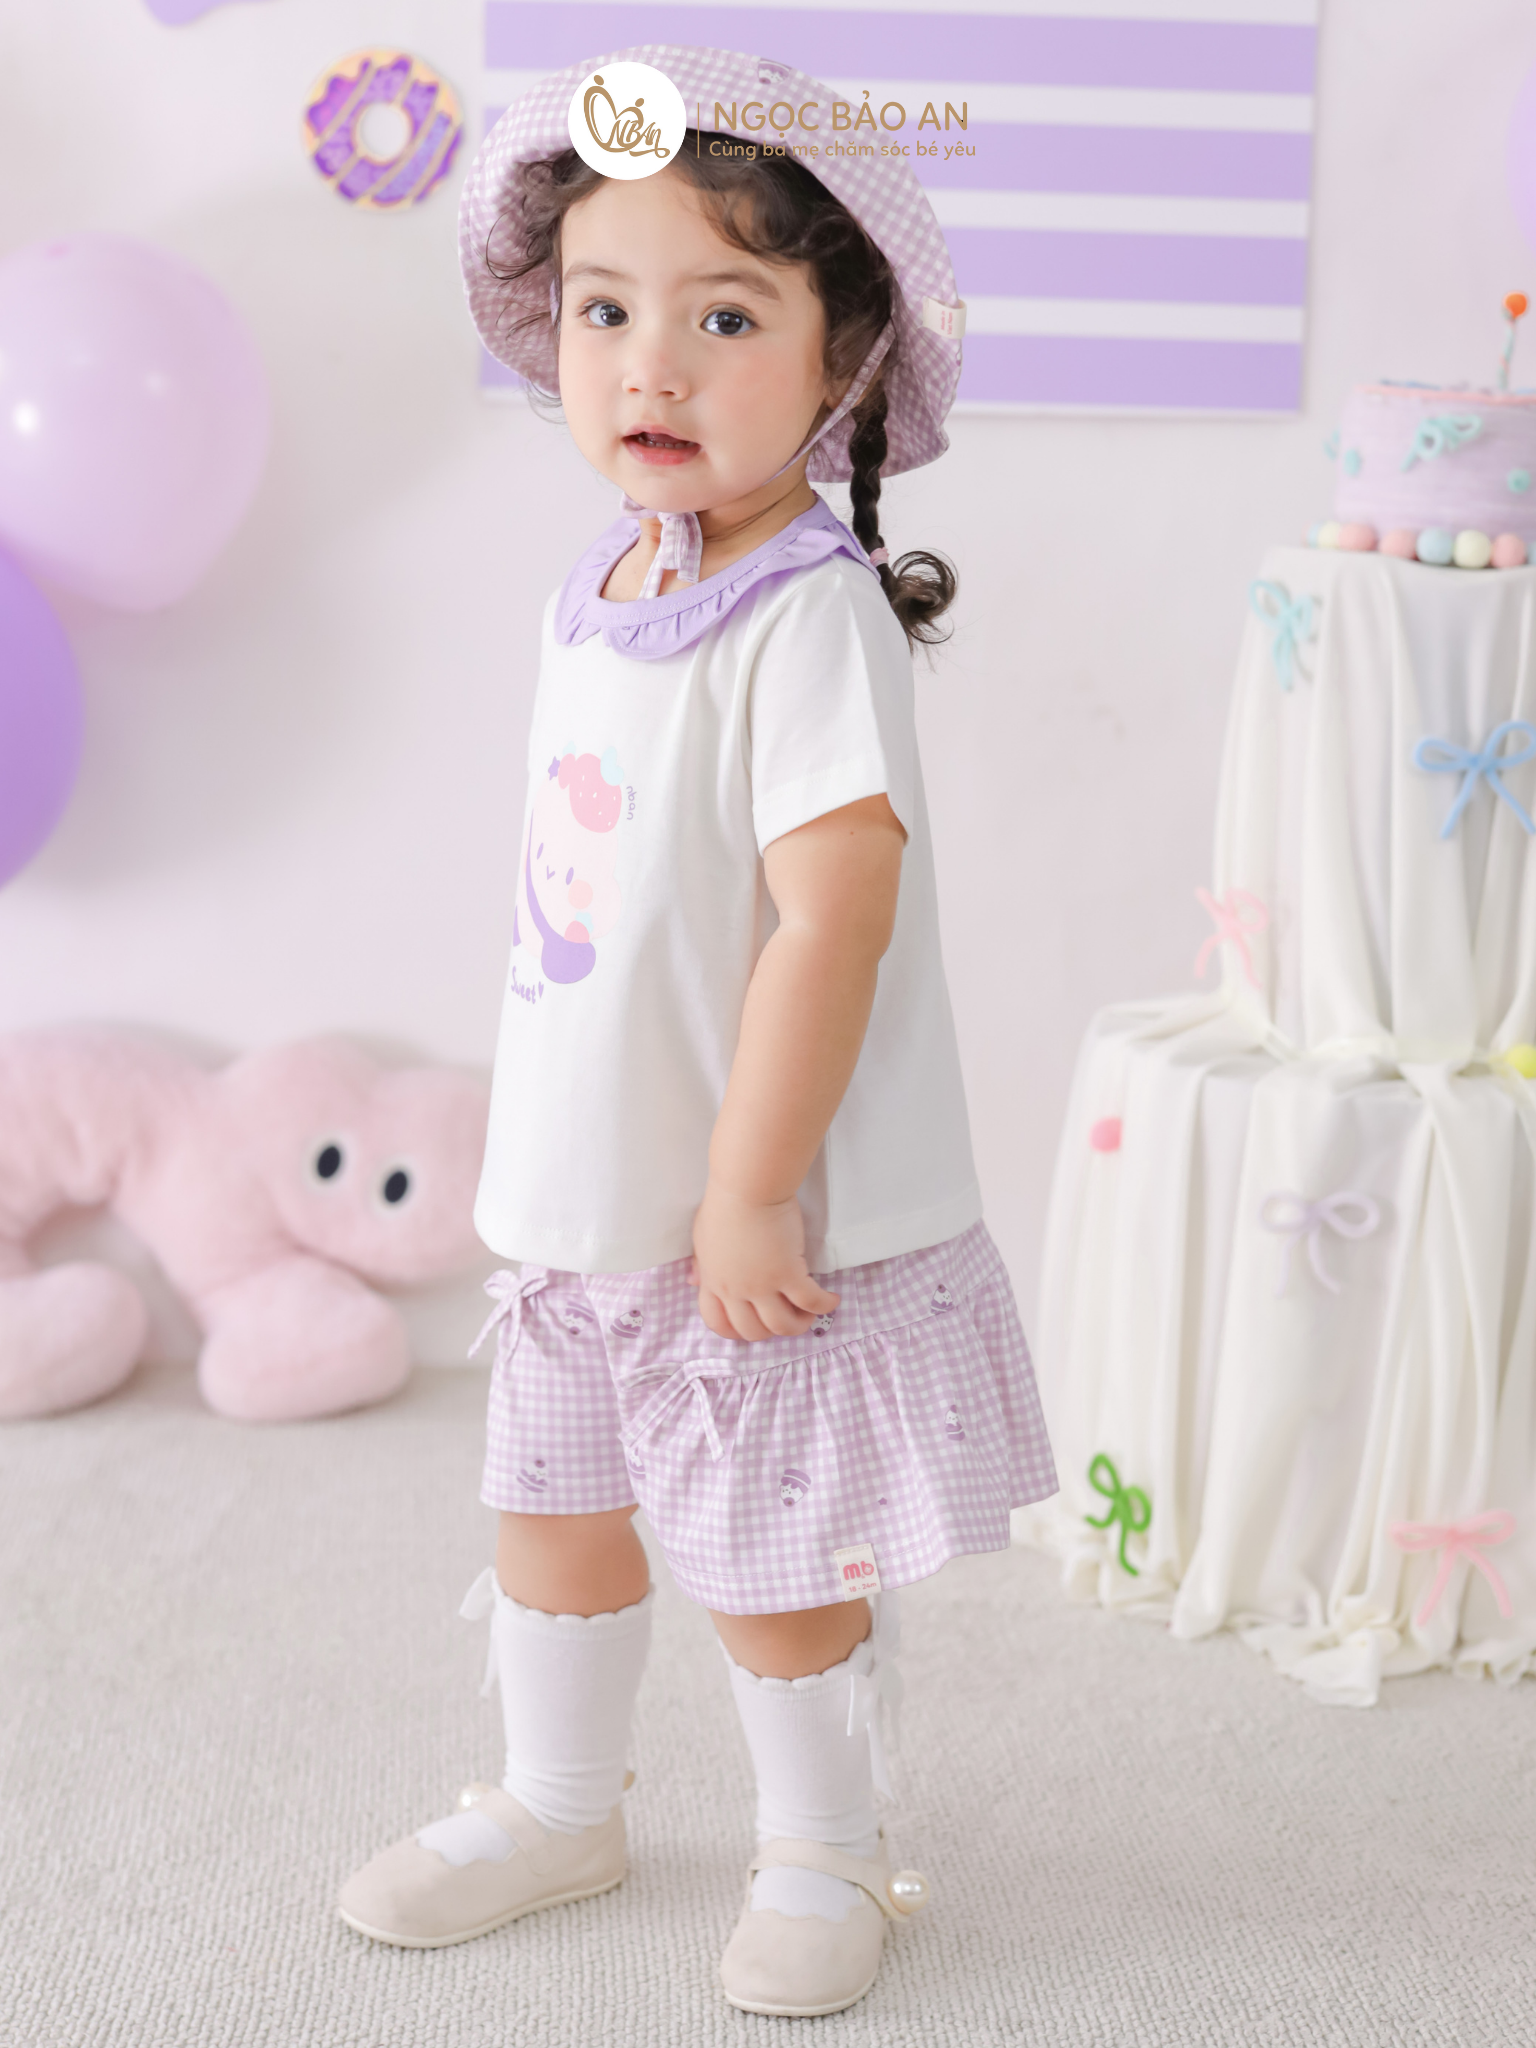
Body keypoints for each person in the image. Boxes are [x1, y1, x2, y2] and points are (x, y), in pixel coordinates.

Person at [339, 45, 1056, 2020]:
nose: (649, 365)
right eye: (604, 311)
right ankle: (557, 1800)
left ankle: (823, 1846)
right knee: (552, 1514)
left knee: (772, 1556)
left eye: (724, 318)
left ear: (842, 363)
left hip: (745, 1205)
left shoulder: (808, 617)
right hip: (589, 1191)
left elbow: (834, 918)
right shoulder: (605, 582)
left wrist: (750, 1192)